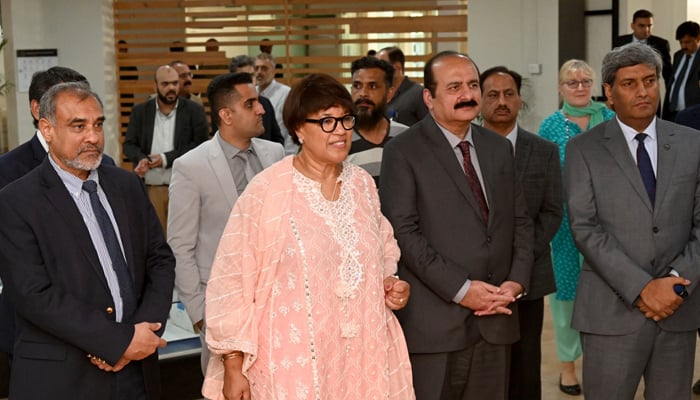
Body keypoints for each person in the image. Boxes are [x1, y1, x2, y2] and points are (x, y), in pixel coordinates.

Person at [202, 73, 414, 400]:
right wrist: (233, 364)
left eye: (345, 119)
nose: (341, 131)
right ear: (299, 128)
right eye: (327, 121)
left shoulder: (362, 185)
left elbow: (384, 248)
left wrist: (390, 282)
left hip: (360, 357)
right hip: (292, 363)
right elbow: (231, 278)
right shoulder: (268, 191)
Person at [0, 82, 175, 399]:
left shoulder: (126, 185)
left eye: (98, 124)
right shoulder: (16, 201)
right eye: (78, 126)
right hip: (64, 379)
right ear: (47, 129)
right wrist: (116, 342)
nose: (93, 137)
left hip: (136, 373)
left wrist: (140, 335)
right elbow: (32, 294)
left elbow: (159, 260)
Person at [379, 51, 533, 399]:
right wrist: (462, 289)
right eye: (454, 87)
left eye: (473, 85)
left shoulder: (498, 148)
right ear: (429, 98)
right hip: (436, 326)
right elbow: (404, 233)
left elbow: (521, 221)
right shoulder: (404, 151)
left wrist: (515, 282)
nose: (467, 94)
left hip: (498, 315)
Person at [566, 41, 700, 399]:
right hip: (611, 314)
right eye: (630, 83)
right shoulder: (584, 148)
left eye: (650, 80)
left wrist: (673, 284)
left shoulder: (692, 143)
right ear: (608, 92)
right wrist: (642, 288)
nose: (643, 91)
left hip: (678, 308)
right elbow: (585, 227)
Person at [168, 72, 285, 374]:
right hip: (221, 307)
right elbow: (180, 246)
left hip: (278, 302)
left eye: (258, 101)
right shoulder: (190, 166)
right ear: (226, 115)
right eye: (251, 104)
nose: (261, 109)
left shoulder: (275, 154)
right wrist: (199, 314)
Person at [0, 67, 116, 370]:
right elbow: (26, 280)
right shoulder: (9, 172)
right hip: (42, 342)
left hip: (112, 336)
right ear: (39, 111)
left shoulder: (108, 168)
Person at [480, 66, 563, 400]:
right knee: (481, 368)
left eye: (509, 93)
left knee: (525, 366)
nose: (502, 101)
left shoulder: (543, 151)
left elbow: (553, 211)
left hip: (529, 277)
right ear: (480, 99)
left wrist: (520, 259)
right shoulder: (462, 150)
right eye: (493, 94)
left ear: (519, 99)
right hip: (476, 280)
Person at [538, 58, 615, 396]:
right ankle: (567, 367)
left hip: (612, 223)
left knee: (609, 292)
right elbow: (543, 180)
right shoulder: (550, 126)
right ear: (560, 88)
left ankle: (607, 362)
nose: (581, 87)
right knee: (567, 297)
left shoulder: (612, 120)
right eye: (572, 83)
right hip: (566, 226)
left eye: (586, 81)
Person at [123, 65, 209, 234]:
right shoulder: (141, 112)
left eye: (175, 83)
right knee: (156, 239)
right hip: (152, 188)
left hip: (184, 187)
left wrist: (165, 159)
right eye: (165, 84)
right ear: (155, 86)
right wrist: (142, 158)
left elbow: (200, 145)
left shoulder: (194, 111)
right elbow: (129, 145)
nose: (171, 88)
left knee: (184, 237)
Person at [347, 56, 408, 183]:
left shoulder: (406, 137)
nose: (363, 93)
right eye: (357, 86)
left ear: (389, 93)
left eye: (372, 86)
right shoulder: (339, 138)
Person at [229, 54, 284, 145]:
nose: (249, 80)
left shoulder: (265, 103)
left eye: (251, 75)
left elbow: (277, 138)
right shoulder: (227, 105)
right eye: (243, 76)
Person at [613, 9, 672, 87]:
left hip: (650, 90)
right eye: (641, 26)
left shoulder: (661, 44)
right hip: (626, 89)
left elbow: (668, 74)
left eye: (649, 25)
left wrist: (670, 97)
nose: (646, 29)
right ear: (632, 26)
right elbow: (612, 69)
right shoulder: (620, 42)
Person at [377, 46, 429, 126]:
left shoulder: (419, 94)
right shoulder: (379, 94)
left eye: (381, 65)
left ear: (397, 67)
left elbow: (430, 129)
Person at [255, 52, 294, 154]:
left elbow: (292, 128)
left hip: (281, 152)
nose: (259, 72)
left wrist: (288, 157)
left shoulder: (286, 93)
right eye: (257, 68)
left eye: (264, 68)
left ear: (273, 71)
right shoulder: (251, 93)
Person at [662, 21, 700, 121]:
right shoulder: (678, 55)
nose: (683, 46)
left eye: (687, 42)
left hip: (693, 115)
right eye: (681, 42)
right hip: (672, 113)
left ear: (698, 38)